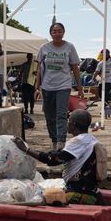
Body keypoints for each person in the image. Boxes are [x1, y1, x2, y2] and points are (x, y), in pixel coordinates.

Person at [14, 109, 103, 205]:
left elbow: (52, 160)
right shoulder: (91, 140)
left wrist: (26, 149)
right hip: (91, 189)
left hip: (79, 193)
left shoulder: (78, 142)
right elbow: (57, 154)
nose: (67, 123)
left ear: (73, 124)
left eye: (68, 121)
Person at [36, 22, 84, 150]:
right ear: (51, 33)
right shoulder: (44, 48)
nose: (57, 33)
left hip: (64, 85)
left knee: (61, 114)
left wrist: (80, 88)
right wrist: (37, 86)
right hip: (47, 86)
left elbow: (75, 67)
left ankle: (61, 142)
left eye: (59, 31)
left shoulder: (69, 47)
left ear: (63, 32)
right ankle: (54, 139)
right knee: (49, 116)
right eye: (54, 31)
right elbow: (39, 68)